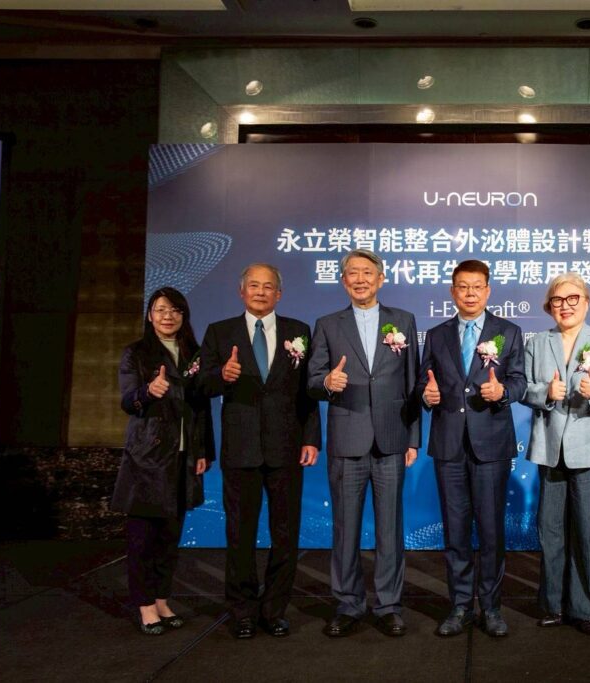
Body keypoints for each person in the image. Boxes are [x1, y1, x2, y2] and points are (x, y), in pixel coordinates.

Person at [199, 263, 320, 640]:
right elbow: (201, 385)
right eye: (254, 285)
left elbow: (308, 391)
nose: (261, 292)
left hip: (286, 447)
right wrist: (222, 377)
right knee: (240, 533)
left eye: (269, 287)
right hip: (241, 447)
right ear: (241, 291)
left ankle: (274, 610)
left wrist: (311, 438)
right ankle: (243, 611)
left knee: (285, 534)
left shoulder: (299, 331)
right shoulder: (220, 332)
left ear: (279, 294)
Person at [307, 249, 421, 638]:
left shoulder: (403, 321)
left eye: (367, 273)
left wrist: (413, 438)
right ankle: (348, 604)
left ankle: (389, 605)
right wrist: (327, 382)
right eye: (352, 273)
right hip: (347, 440)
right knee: (346, 529)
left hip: (392, 439)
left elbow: (412, 384)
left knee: (390, 528)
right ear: (343, 281)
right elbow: (312, 380)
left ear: (381, 279)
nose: (360, 279)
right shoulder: (327, 324)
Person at [416, 260, 526, 638]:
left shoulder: (508, 332)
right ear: (452, 291)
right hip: (449, 445)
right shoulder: (436, 335)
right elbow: (423, 381)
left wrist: (502, 391)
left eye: (477, 286)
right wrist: (426, 394)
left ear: (488, 290)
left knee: (492, 531)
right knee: (456, 531)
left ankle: (491, 608)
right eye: (463, 287)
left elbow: (520, 382)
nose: (470, 293)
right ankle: (460, 606)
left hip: (491, 446)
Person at [522, 272, 590, 636]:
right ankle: (554, 605)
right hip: (551, 450)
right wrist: (545, 393)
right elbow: (525, 389)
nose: (565, 306)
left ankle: (589, 608)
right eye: (558, 300)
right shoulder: (537, 342)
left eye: (572, 299)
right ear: (549, 306)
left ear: (586, 302)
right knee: (551, 532)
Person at [112, 286, 213, 635]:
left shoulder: (194, 353)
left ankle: (161, 599)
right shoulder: (137, 353)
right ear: (150, 315)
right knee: (142, 539)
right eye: (160, 309)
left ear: (184, 315)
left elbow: (201, 408)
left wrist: (203, 451)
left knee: (170, 538)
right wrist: (148, 392)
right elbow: (127, 400)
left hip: (184, 458)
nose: (167, 316)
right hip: (148, 458)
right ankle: (144, 605)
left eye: (175, 310)